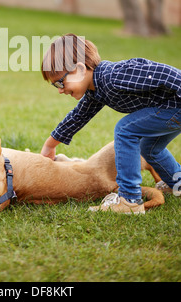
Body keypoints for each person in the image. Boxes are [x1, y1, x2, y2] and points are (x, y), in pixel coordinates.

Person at [40, 33, 181, 214]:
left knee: (125, 130)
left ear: (80, 70)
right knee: (150, 148)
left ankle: (130, 200)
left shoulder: (114, 76)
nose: (60, 90)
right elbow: (78, 117)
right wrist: (50, 145)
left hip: (174, 105)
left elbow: (163, 74)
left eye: (60, 83)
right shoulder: (96, 90)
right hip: (170, 109)